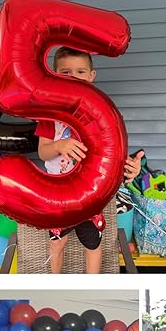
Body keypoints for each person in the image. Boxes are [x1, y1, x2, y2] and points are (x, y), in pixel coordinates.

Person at [36, 47, 143, 273]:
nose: (73, 78)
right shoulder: (49, 114)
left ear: (91, 76)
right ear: (54, 75)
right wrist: (59, 145)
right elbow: (43, 152)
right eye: (66, 72)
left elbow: (112, 154)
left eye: (80, 72)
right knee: (57, 243)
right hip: (58, 193)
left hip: (90, 194)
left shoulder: (100, 114)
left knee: (93, 244)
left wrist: (129, 168)